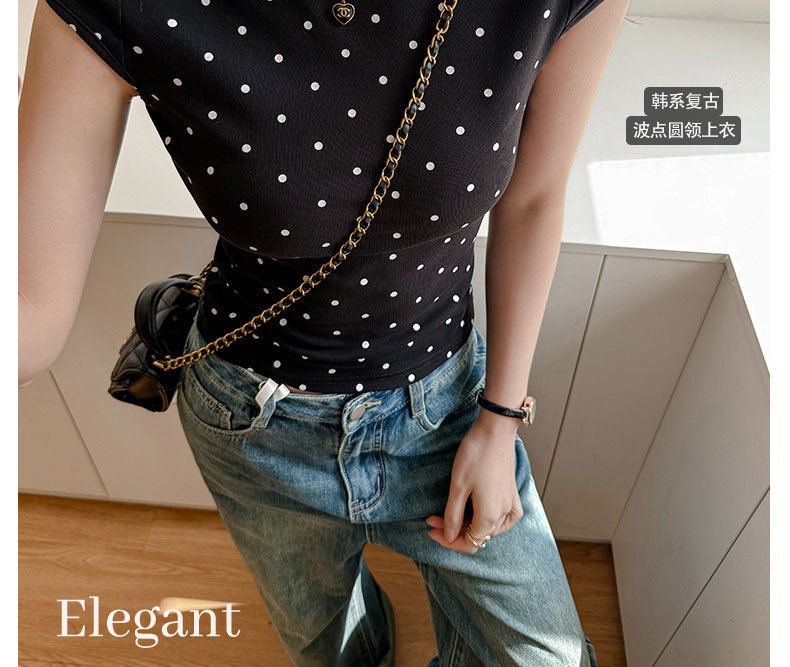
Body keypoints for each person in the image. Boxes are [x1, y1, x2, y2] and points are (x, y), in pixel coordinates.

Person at [19, 0, 629, 664]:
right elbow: (28, 309)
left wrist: (500, 420)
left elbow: (534, 197)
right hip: (253, 423)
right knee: (326, 644)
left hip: (446, 409)